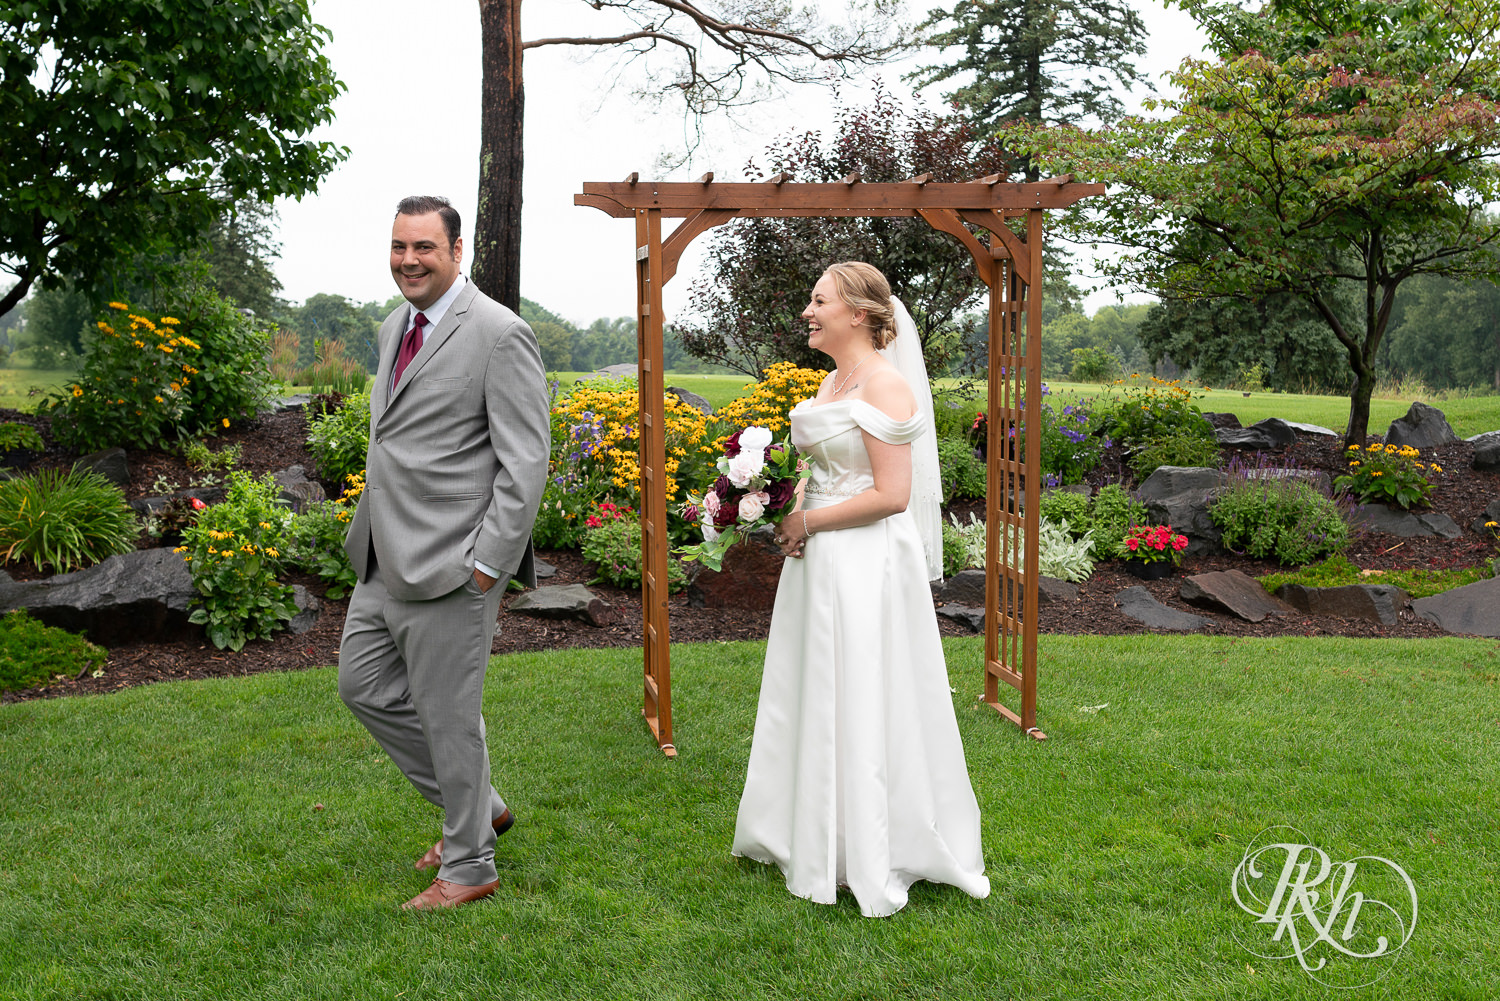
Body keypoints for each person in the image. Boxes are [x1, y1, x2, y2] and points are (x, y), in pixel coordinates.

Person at [731, 261, 990, 918]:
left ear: (858, 313)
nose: (808, 312)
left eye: (819, 301)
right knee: (815, 686)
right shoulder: (832, 381)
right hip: (819, 559)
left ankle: (868, 846)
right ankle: (810, 831)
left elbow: (893, 494)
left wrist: (808, 521)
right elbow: (822, 468)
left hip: (865, 561)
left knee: (864, 688)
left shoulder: (885, 385)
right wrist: (780, 503)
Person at [337, 195, 550, 911]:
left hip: (455, 562)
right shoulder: (393, 325)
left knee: (448, 717)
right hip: (383, 552)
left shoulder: (499, 333)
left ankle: (469, 865)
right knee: (363, 686)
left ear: (458, 251)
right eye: (399, 246)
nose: (409, 260)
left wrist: (487, 565)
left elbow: (525, 461)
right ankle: (481, 808)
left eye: (424, 246)